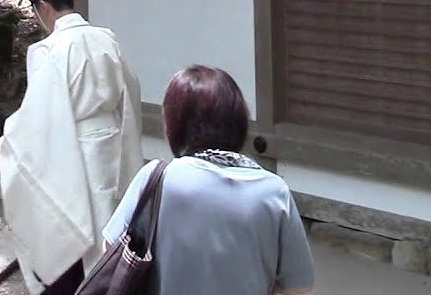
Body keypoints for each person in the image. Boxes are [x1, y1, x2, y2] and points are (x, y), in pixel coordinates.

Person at [0, 0, 144, 295]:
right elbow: (130, 89)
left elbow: (39, 120)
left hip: (74, 153)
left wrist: (10, 140)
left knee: (75, 233)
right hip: (111, 147)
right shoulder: (105, 39)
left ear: (43, 6)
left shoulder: (49, 51)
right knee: (110, 234)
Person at [102, 66, 316, 295]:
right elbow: (300, 286)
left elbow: (111, 250)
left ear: (176, 124)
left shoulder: (159, 178)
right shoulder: (274, 191)